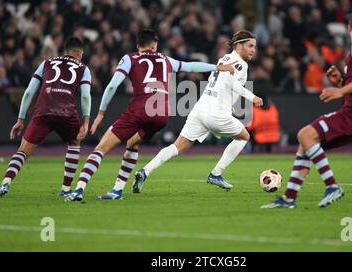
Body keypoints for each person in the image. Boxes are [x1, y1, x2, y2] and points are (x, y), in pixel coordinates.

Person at [65, 29, 235, 201]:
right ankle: (117, 189)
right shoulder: (165, 59)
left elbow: (111, 86)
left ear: (138, 45)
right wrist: (217, 67)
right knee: (132, 143)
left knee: (101, 148)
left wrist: (101, 113)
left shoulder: (130, 58)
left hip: (139, 110)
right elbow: (190, 65)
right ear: (155, 46)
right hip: (161, 115)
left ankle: (78, 189)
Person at [262, 10, 352, 209]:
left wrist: (340, 90)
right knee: (306, 144)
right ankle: (289, 198)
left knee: (305, 134)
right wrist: (342, 81)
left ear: (349, 28)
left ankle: (332, 186)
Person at [132, 30, 263, 193]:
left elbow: (216, 82)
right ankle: (216, 174)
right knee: (244, 137)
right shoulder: (240, 64)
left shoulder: (224, 59)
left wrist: (228, 103)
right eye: (250, 46)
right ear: (238, 46)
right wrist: (252, 97)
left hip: (201, 108)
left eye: (254, 47)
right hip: (215, 112)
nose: (253, 50)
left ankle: (145, 171)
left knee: (178, 146)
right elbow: (232, 83)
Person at [0, 37, 91, 197]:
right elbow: (85, 96)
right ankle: (66, 189)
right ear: (80, 53)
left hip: (43, 110)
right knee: (74, 143)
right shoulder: (83, 68)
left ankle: (5, 183)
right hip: (66, 112)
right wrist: (86, 120)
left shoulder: (46, 63)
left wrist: (20, 119)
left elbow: (30, 91)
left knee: (24, 150)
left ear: (65, 51)